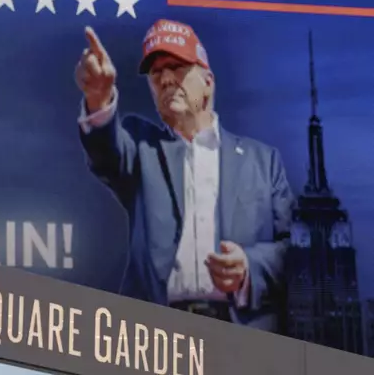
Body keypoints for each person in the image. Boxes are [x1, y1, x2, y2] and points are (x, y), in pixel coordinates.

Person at [75, 19, 295, 332]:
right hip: (155, 339)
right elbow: (106, 151)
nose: (165, 79)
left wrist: (249, 266)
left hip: (241, 342)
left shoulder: (263, 162)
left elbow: (296, 253)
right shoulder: (142, 148)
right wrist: (98, 99)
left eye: (176, 67)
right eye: (155, 73)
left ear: (208, 81)